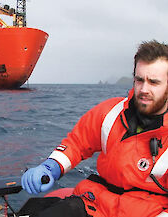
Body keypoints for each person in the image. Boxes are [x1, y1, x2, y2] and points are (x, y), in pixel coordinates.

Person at [21, 40, 168, 217]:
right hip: (95, 204)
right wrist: (51, 167)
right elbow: (77, 143)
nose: (144, 89)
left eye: (154, 82)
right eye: (139, 80)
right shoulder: (110, 112)